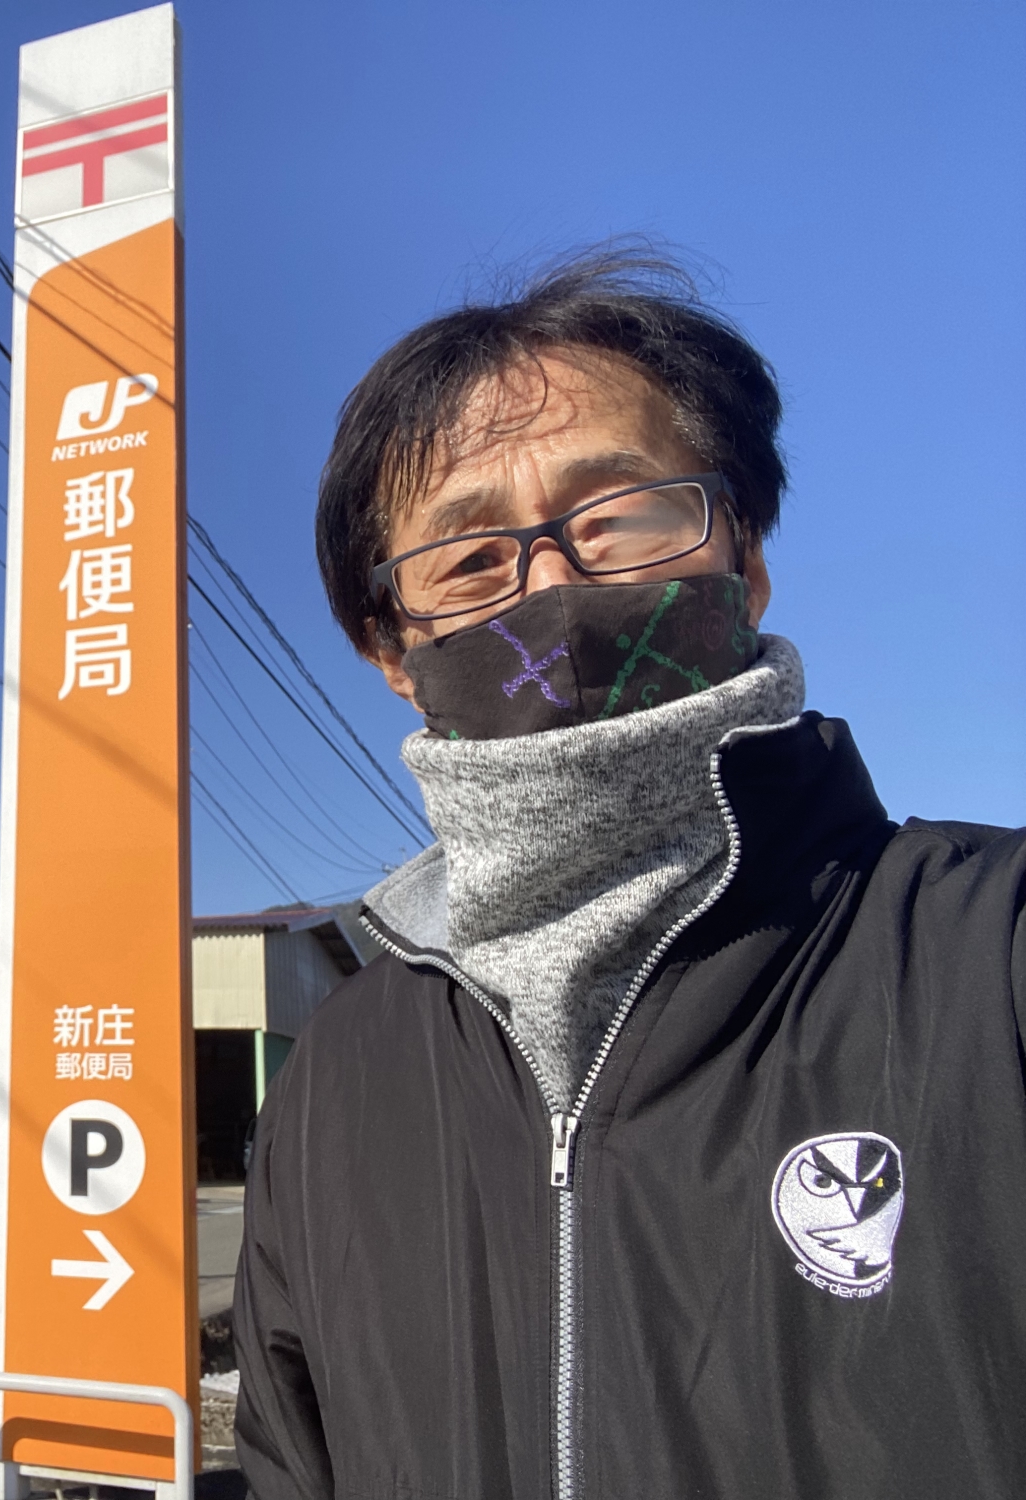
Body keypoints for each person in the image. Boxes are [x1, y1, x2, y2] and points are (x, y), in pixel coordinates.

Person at [233, 250, 1026, 1499]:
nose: (552, 584)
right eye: (469, 558)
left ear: (740, 560)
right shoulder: (336, 1075)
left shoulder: (989, 954)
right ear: (392, 652)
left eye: (616, 514)